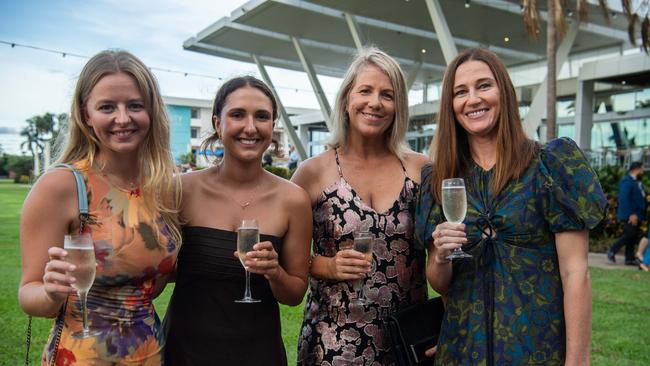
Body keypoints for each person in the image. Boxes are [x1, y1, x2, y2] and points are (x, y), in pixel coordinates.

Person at [415, 48, 607, 365]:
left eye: (484, 86)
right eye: (460, 92)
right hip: (462, 350)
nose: (473, 99)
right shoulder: (442, 180)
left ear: (504, 91)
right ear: (451, 106)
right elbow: (439, 281)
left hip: (537, 348)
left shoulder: (548, 166)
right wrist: (440, 254)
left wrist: (577, 361)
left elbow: (576, 274)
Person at [18, 50, 182, 364]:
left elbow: (157, 274)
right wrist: (51, 292)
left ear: (152, 111)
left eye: (135, 105)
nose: (123, 118)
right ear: (86, 114)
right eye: (107, 107)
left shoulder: (164, 187)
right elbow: (29, 294)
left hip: (151, 353)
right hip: (82, 356)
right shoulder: (61, 186)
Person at [292, 47, 430, 365]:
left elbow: (443, 256)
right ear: (346, 100)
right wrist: (327, 266)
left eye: (387, 94)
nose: (375, 103)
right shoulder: (313, 172)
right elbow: (289, 261)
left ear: (398, 107)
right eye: (365, 90)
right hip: (331, 344)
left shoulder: (420, 170)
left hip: (406, 343)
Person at [163, 76, 312, 365]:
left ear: (273, 126)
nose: (250, 127)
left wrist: (274, 272)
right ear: (218, 124)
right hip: (184, 352)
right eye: (237, 115)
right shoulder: (179, 190)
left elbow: (294, 293)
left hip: (258, 354)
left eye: (262, 117)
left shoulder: (293, 199)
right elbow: (157, 273)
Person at [608, 161, 646, 265]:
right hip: (630, 215)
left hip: (637, 215)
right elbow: (624, 199)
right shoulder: (627, 181)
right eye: (642, 169)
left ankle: (629, 259)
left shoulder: (637, 182)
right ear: (636, 169)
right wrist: (631, 214)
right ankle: (612, 250)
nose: (643, 172)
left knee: (633, 236)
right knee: (630, 234)